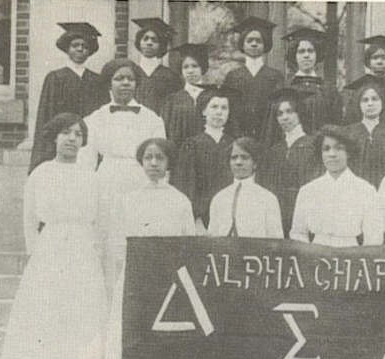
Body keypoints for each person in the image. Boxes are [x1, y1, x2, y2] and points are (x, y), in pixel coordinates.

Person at [0, 113, 108, 359]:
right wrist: (37, 255)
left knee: (81, 316)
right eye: (66, 133)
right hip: (51, 248)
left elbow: (101, 220)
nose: (72, 139)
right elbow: (30, 218)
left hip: (82, 249)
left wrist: (94, 253)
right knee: (47, 317)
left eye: (78, 134)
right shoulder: (40, 174)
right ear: (54, 137)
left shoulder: (91, 176)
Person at [104, 138, 195, 359]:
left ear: (168, 163)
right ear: (141, 162)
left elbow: (187, 244)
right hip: (135, 278)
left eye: (159, 158)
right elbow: (118, 241)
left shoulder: (180, 201)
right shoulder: (128, 199)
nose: (154, 164)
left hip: (168, 283)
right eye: (148, 158)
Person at [77, 58, 166, 292]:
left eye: (130, 79)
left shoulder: (152, 119)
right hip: (106, 184)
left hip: (141, 182)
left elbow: (161, 160)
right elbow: (85, 164)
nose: (125, 83)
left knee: (137, 240)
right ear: (109, 83)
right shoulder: (94, 119)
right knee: (107, 243)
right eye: (119, 78)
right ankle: (106, 304)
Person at [29, 22, 108, 174]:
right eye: (75, 45)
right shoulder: (55, 78)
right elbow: (46, 117)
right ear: (67, 48)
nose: (80, 49)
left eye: (84, 46)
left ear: (90, 51)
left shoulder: (97, 81)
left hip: (89, 144)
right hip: (62, 142)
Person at [291, 124, 383, 247]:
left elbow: (374, 237)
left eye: (338, 148)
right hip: (315, 256)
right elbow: (298, 233)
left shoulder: (366, 190)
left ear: (348, 152)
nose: (332, 154)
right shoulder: (308, 191)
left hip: (351, 257)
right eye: (326, 149)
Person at [173, 87, 239, 234]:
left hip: (229, 216)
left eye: (224, 108)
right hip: (200, 220)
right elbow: (186, 185)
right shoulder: (192, 145)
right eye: (214, 107)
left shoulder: (235, 145)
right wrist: (196, 219)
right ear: (203, 111)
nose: (219, 112)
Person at [259, 88, 321, 237]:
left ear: (299, 113)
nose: (284, 117)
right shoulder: (275, 150)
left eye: (289, 111)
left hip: (305, 210)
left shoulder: (313, 145)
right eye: (280, 114)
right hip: (279, 212)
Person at [222, 16, 284, 139]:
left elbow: (279, 111)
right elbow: (228, 111)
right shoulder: (233, 77)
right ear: (242, 44)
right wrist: (237, 137)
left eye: (258, 41)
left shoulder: (275, 77)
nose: (254, 44)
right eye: (249, 40)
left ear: (265, 44)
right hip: (238, 138)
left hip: (268, 139)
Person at [208, 136, 283, 238]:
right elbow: (212, 238)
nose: (238, 162)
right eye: (234, 158)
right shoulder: (219, 198)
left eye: (245, 157)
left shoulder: (268, 199)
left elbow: (276, 240)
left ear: (255, 163)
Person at [343, 79, 385, 188]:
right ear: (358, 104)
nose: (370, 103)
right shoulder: (348, 133)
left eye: (375, 99)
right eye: (365, 100)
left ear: (382, 102)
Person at [281, 27, 342, 133]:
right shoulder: (285, 88)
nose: (306, 55)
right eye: (301, 51)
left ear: (317, 54)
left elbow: (336, 125)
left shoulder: (329, 90)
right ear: (294, 56)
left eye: (311, 51)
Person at [344, 35, 385, 130]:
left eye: (384, 58)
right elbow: (350, 119)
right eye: (375, 58)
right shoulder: (357, 88)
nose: (379, 61)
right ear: (368, 61)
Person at [161, 43, 210, 155]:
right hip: (180, 156)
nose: (190, 71)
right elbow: (167, 132)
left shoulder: (213, 96)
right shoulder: (172, 100)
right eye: (186, 67)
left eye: (195, 66)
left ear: (203, 68)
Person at [132, 18, 182, 115]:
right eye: (145, 38)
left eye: (154, 40)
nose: (149, 43)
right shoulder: (131, 72)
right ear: (139, 42)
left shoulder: (171, 77)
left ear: (161, 45)